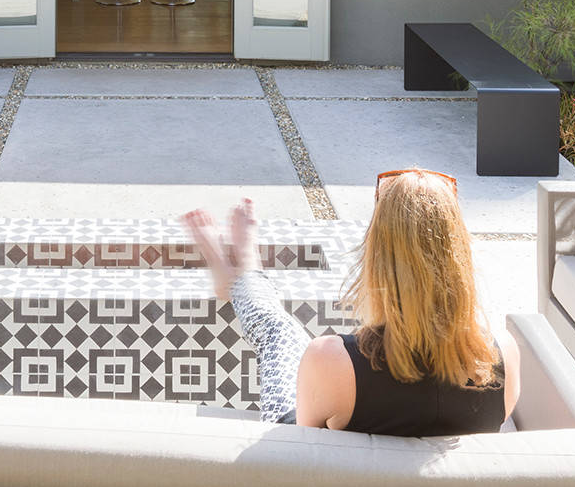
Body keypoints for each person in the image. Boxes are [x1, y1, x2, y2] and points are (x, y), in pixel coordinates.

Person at [182, 170, 520, 434]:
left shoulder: (331, 361)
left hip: (304, 467)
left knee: (278, 334)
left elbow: (299, 453)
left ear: (378, 258)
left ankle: (244, 274)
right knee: (291, 341)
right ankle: (243, 275)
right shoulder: (501, 357)